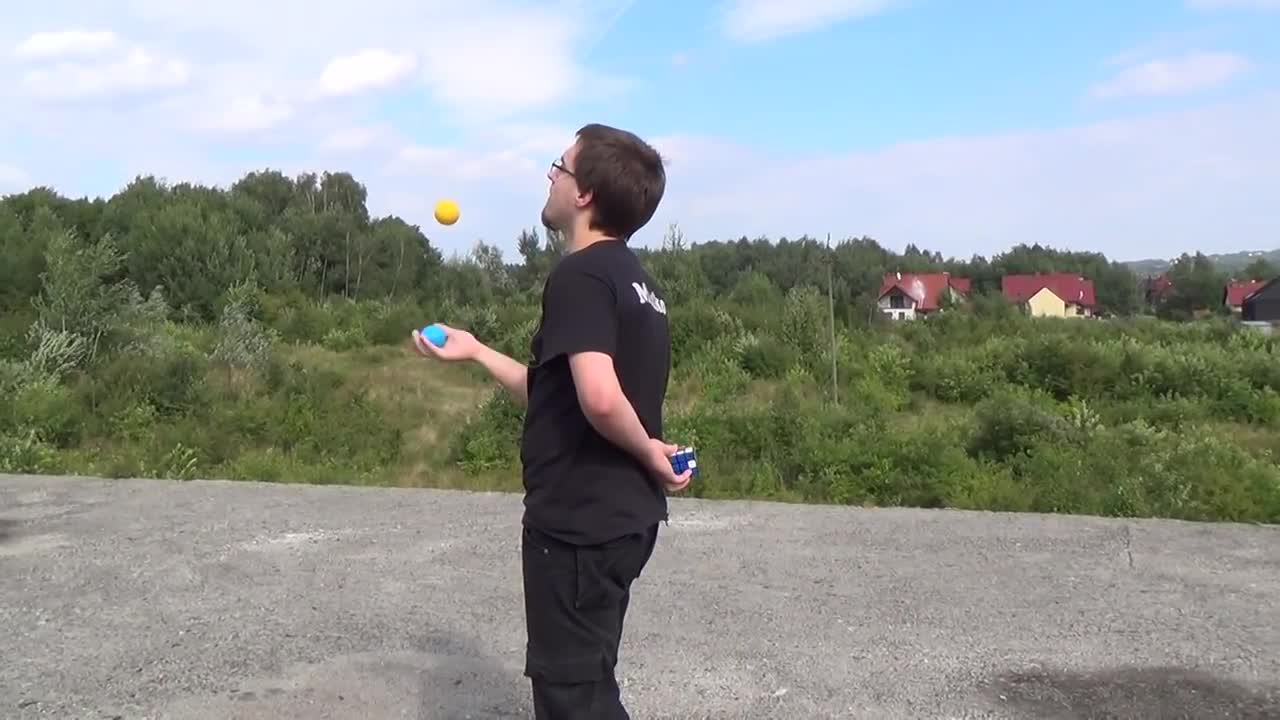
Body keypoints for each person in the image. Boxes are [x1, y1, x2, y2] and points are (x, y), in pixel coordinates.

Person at [411, 123, 691, 719]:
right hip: (621, 519)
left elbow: (599, 397)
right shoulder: (639, 283)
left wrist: (645, 452)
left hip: (580, 526)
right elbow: (561, 394)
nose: (550, 175)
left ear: (584, 192)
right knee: (589, 678)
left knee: (575, 699)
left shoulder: (581, 274)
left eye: (559, 166)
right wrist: (480, 351)